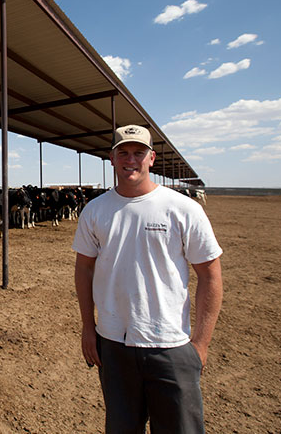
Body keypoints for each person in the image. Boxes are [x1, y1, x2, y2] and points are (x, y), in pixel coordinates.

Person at [73, 124, 223, 433]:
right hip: (114, 345)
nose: (131, 160)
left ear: (151, 158)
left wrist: (201, 344)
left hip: (170, 345)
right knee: (121, 427)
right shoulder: (95, 211)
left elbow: (210, 275)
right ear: (111, 159)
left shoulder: (183, 209)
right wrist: (89, 328)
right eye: (123, 153)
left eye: (138, 153)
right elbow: (84, 269)